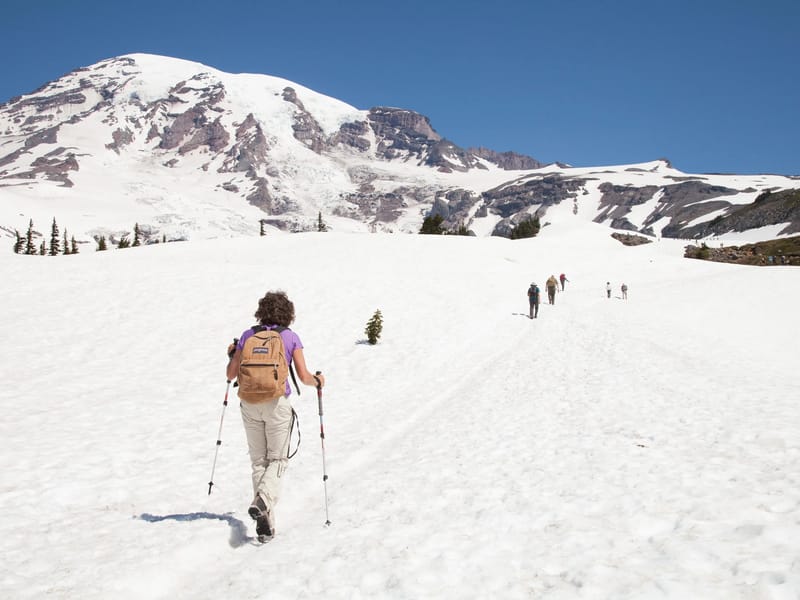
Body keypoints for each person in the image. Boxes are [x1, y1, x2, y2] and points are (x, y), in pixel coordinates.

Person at [226, 290, 325, 540]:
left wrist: (232, 354)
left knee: (259, 461)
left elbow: (230, 375)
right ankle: (264, 500)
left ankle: (266, 522)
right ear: (287, 313)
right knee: (278, 460)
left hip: (248, 404)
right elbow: (303, 377)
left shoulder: (248, 335)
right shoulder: (290, 337)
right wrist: (318, 381)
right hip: (277, 403)